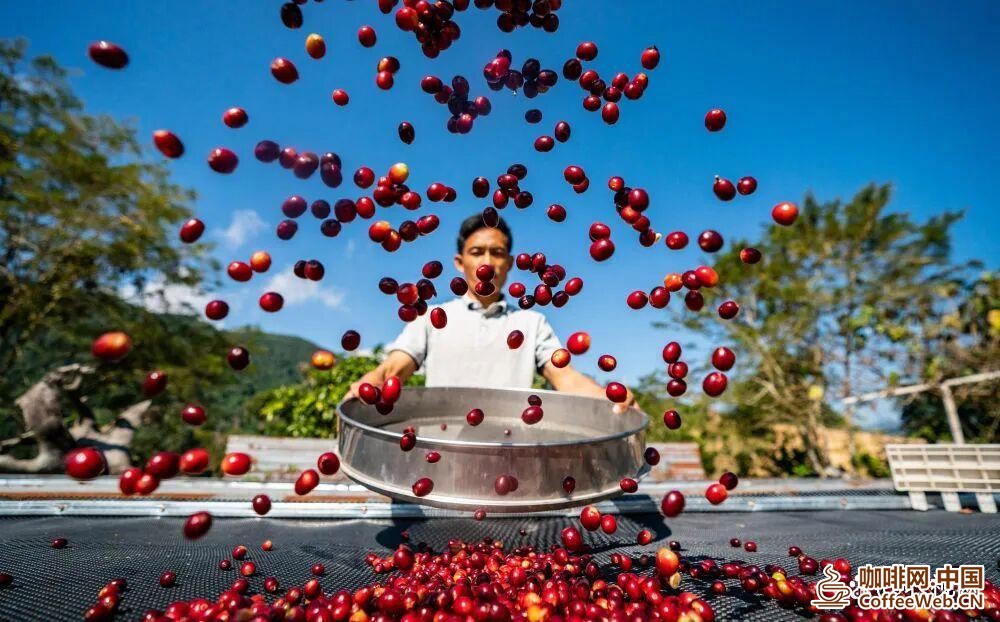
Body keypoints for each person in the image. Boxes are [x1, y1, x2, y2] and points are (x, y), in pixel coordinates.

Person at [347, 213, 637, 413]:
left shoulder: (530, 322)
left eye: (497, 253)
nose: (488, 262)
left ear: (510, 262)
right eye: (477, 252)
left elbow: (566, 378)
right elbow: (395, 368)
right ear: (460, 262)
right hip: (440, 452)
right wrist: (371, 381)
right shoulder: (431, 317)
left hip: (511, 454)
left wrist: (609, 398)